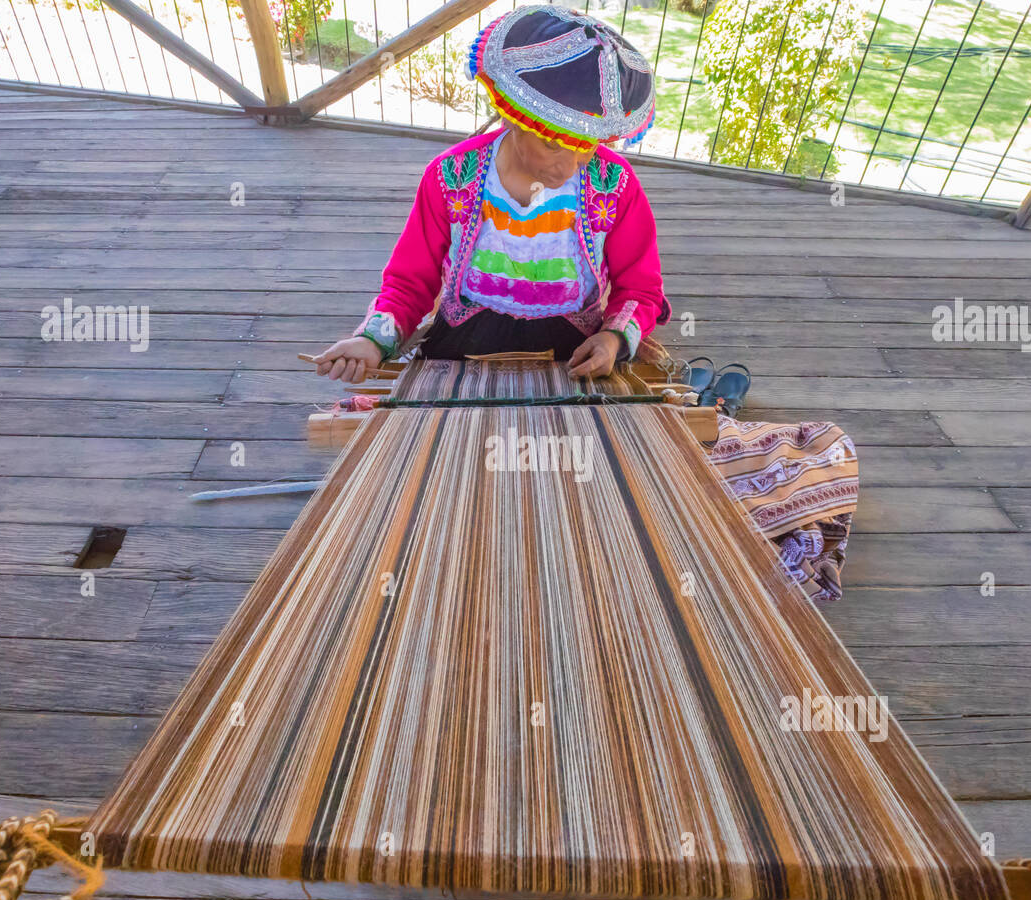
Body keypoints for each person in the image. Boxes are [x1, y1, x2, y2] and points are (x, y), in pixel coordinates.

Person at [312, 4, 858, 600]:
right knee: (455, 474)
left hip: (574, 346)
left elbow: (640, 288)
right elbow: (412, 279)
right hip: (465, 346)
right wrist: (373, 339)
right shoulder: (451, 178)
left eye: (588, 147)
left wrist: (617, 337)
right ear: (516, 117)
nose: (576, 161)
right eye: (560, 146)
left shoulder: (612, 184)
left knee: (586, 479)